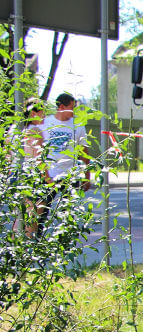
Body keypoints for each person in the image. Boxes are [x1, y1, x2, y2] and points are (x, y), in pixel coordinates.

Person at [37, 93, 90, 235]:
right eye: (71, 107)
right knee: (41, 211)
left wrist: (87, 176)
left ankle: (64, 243)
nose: (73, 111)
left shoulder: (78, 126)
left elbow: (84, 153)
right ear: (61, 107)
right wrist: (45, 174)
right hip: (49, 176)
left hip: (69, 176)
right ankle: (36, 240)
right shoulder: (45, 124)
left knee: (68, 213)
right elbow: (38, 151)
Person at [9, 99, 47, 236]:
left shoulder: (13, 129)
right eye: (42, 113)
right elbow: (39, 159)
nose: (44, 116)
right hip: (30, 177)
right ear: (33, 113)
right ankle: (27, 253)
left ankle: (14, 251)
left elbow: (8, 157)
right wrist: (46, 180)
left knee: (19, 218)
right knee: (32, 218)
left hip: (14, 175)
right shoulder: (35, 131)